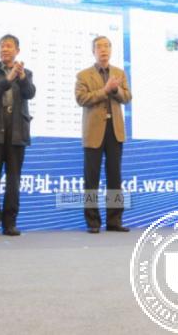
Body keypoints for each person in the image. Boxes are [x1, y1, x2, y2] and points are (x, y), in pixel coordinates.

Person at [0, 34, 36, 236]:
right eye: (2, 46)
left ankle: (10, 223)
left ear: (17, 51)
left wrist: (21, 78)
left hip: (17, 130)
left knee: (14, 180)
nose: (4, 49)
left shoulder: (26, 73)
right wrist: (8, 79)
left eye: (9, 46)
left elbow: (30, 93)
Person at [75, 36, 131, 233]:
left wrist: (115, 91)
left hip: (115, 131)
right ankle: (93, 222)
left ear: (111, 50)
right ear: (93, 51)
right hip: (93, 131)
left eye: (107, 46)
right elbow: (81, 99)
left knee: (115, 177)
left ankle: (114, 221)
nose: (103, 50)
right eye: (99, 47)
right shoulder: (83, 75)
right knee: (91, 179)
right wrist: (105, 90)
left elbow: (127, 97)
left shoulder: (119, 73)